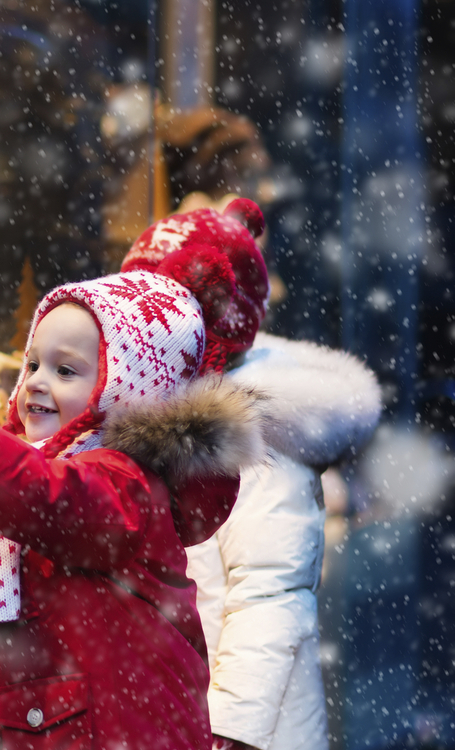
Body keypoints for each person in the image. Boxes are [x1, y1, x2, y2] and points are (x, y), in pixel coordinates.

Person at [0, 199, 270, 750]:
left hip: (114, 730)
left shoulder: (122, 479)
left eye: (66, 370)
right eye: (33, 363)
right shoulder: (80, 476)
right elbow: (45, 524)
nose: (36, 381)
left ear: (125, 387)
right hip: (74, 723)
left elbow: (46, 498)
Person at [119, 208, 382, 750]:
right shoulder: (166, 415)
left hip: (246, 730)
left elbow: (271, 595)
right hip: (181, 711)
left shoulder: (251, 434)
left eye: (150, 304)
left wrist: (229, 730)